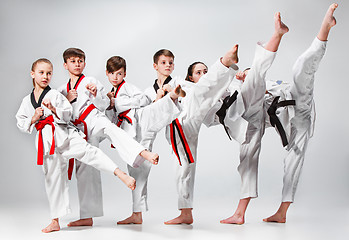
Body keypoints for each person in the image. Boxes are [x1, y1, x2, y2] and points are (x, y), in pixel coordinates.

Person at [220, 3, 338, 224]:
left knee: (302, 67)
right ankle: (241, 213)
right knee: (250, 156)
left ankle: (325, 28)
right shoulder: (242, 95)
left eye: (247, 72)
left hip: (295, 101)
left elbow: (259, 77)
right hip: (263, 115)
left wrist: (253, 78)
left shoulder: (270, 83)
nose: (245, 75)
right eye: (244, 74)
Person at [16, 58, 138, 233]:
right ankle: (55, 220)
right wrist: (34, 118)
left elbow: (67, 114)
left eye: (49, 73)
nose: (45, 76)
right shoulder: (26, 101)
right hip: (47, 142)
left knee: (90, 152)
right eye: (41, 73)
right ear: (32, 74)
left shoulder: (56, 95)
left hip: (64, 134)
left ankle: (121, 174)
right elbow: (21, 122)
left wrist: (54, 109)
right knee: (53, 179)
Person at [58, 48, 159, 227]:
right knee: (86, 168)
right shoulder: (61, 90)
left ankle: (142, 152)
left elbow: (105, 104)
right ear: (65, 65)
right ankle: (87, 216)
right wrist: (66, 99)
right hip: (81, 129)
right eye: (73, 61)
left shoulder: (90, 81)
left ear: (84, 63)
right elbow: (62, 116)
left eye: (80, 61)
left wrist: (97, 94)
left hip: (94, 118)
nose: (77, 64)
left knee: (112, 130)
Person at [143, 46, 240, 224]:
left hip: (187, 118)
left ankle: (224, 63)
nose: (168, 65)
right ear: (155, 66)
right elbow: (148, 114)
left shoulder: (180, 80)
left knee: (200, 90)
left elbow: (193, 90)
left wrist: (174, 90)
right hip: (174, 129)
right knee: (182, 169)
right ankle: (186, 213)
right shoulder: (150, 91)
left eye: (170, 62)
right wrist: (159, 97)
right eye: (163, 63)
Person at [104, 56, 185, 224]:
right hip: (132, 132)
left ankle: (172, 97)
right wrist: (110, 103)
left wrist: (116, 102)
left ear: (124, 74)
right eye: (112, 73)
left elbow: (142, 100)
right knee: (136, 170)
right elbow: (111, 117)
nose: (115, 77)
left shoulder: (126, 87)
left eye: (119, 74)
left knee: (154, 110)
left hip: (140, 119)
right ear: (107, 74)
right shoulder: (110, 93)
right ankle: (137, 213)